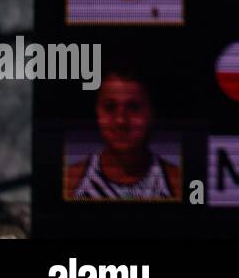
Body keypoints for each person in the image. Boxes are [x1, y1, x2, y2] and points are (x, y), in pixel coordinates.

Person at [65, 66, 181, 201]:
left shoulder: (177, 184)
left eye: (133, 108)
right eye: (110, 107)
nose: (121, 121)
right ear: (97, 112)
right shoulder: (71, 183)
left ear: (152, 113)